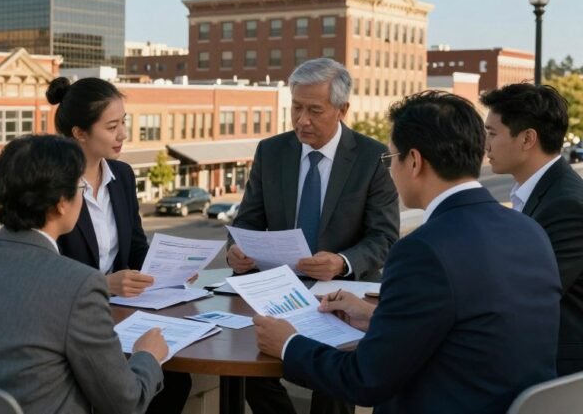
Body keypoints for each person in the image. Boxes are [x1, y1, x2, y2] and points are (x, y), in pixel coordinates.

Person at [253, 91, 561, 414]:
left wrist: (287, 344)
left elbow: (365, 379)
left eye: (391, 159)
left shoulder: (422, 251)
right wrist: (377, 318)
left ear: (413, 161)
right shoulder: (530, 231)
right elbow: (473, 331)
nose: (390, 171)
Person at [0, 134, 168, 414]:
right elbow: (126, 401)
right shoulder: (78, 284)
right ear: (61, 203)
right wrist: (147, 355)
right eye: (81, 186)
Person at [226, 58, 399, 414]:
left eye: (314, 110)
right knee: (249, 368)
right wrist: (236, 250)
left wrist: (342, 261)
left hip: (341, 296)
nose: (302, 120)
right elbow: (247, 221)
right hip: (275, 289)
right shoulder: (271, 151)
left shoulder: (373, 157)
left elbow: (383, 236)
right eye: (297, 108)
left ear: (342, 109)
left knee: (335, 383)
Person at [47, 76, 192, 414]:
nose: (123, 134)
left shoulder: (123, 176)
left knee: (176, 378)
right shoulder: (54, 187)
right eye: (112, 126)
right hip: (77, 324)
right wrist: (102, 284)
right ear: (80, 133)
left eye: (123, 122)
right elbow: (45, 269)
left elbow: (137, 248)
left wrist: (171, 269)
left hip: (125, 315)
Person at [482, 83, 583, 375]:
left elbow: (526, 297)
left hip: (555, 372)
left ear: (527, 139)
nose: (485, 145)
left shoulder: (567, 205)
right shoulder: (536, 192)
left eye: (492, 134)